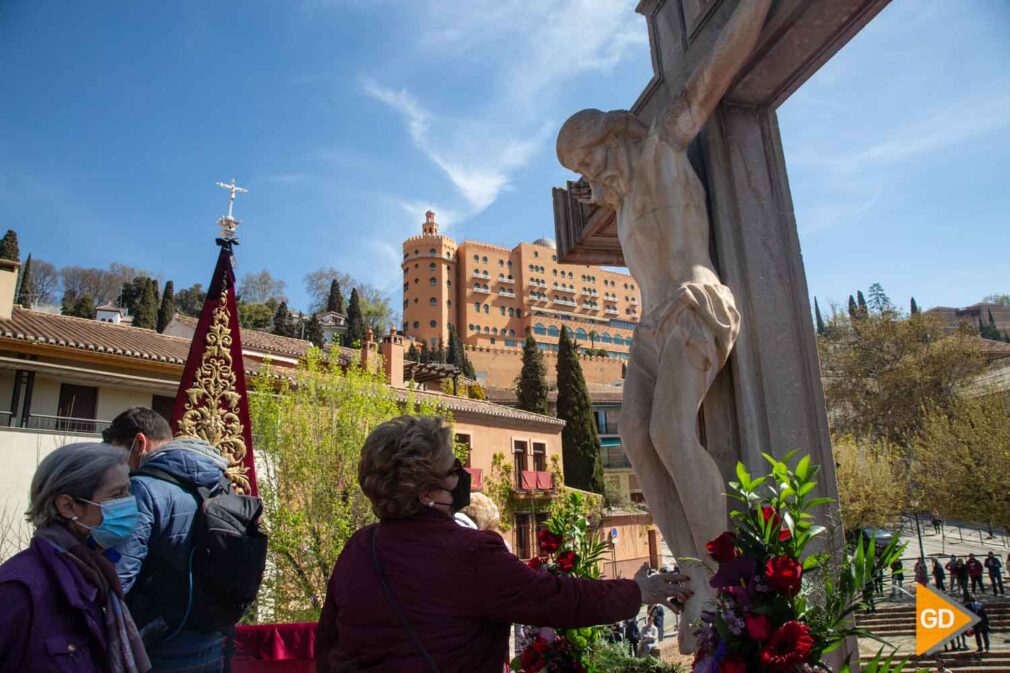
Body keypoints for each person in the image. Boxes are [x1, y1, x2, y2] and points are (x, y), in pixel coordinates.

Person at [555, 0, 773, 653]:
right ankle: (693, 569)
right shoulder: (616, 204)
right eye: (582, 174)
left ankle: (724, 569)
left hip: (695, 302)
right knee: (633, 438)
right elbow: (602, 198)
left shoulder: (659, 147)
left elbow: (711, 71)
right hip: (650, 325)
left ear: (614, 136)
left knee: (670, 431)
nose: (592, 178)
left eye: (591, 161)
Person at [315, 416, 692, 672]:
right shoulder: (470, 553)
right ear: (427, 491)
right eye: (452, 469)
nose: (462, 475)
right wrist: (640, 590)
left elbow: (327, 642)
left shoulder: (359, 548)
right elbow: (562, 599)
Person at [0, 442, 150, 673]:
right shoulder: (19, 589)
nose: (130, 502)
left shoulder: (96, 574)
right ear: (68, 507)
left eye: (128, 491)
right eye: (117, 494)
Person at [104, 406, 233, 673]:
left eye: (116, 455)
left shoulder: (143, 489)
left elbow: (119, 579)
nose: (116, 466)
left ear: (139, 443)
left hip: (160, 648)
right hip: (215, 641)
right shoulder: (219, 481)